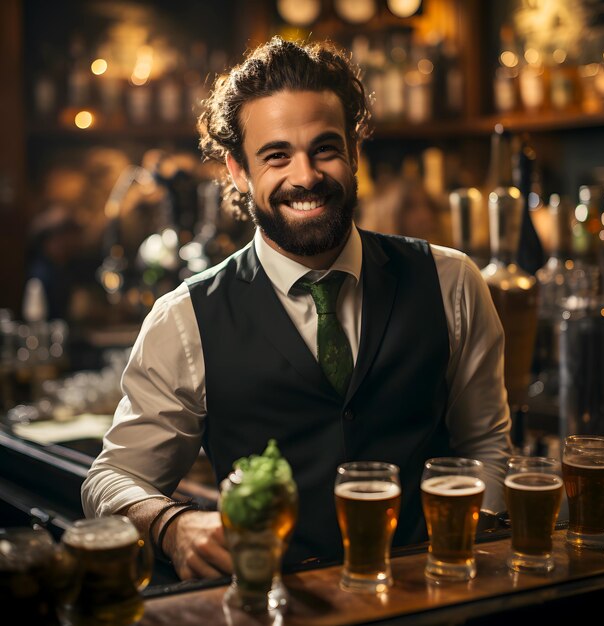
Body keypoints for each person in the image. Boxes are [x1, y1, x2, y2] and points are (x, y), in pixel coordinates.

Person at [81, 36, 512, 581]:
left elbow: (485, 442)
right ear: (238, 171)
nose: (305, 176)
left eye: (325, 148)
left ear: (355, 152)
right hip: (272, 607)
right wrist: (171, 525)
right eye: (276, 155)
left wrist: (480, 543)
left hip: (433, 597)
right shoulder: (184, 318)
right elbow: (110, 480)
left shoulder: (451, 281)